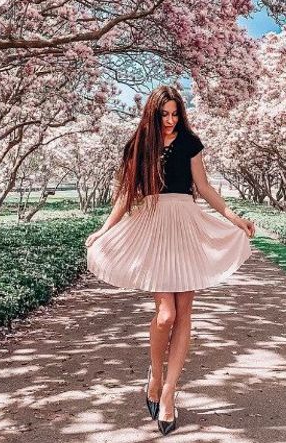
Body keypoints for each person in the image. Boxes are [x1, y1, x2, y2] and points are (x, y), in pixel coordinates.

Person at [84, 85, 255, 435]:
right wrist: (102, 231)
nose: (171, 120)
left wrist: (235, 219)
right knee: (165, 314)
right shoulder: (137, 146)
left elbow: (204, 188)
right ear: (153, 114)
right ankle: (156, 375)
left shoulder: (190, 142)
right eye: (165, 114)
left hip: (185, 224)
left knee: (184, 313)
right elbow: (125, 194)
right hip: (154, 226)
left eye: (176, 114)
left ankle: (168, 394)